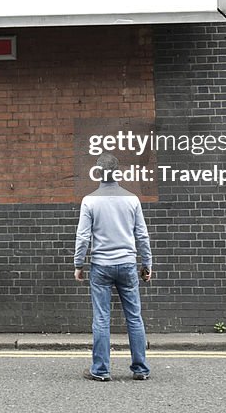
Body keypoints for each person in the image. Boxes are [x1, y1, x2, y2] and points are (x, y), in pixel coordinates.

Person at [73, 152, 152, 382]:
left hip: (101, 266)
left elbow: (83, 237)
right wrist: (146, 264)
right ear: (117, 172)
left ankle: (100, 370)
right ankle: (140, 369)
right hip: (127, 264)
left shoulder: (90, 200)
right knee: (134, 318)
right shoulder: (132, 199)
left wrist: (79, 264)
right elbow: (142, 236)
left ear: (98, 173)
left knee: (101, 318)